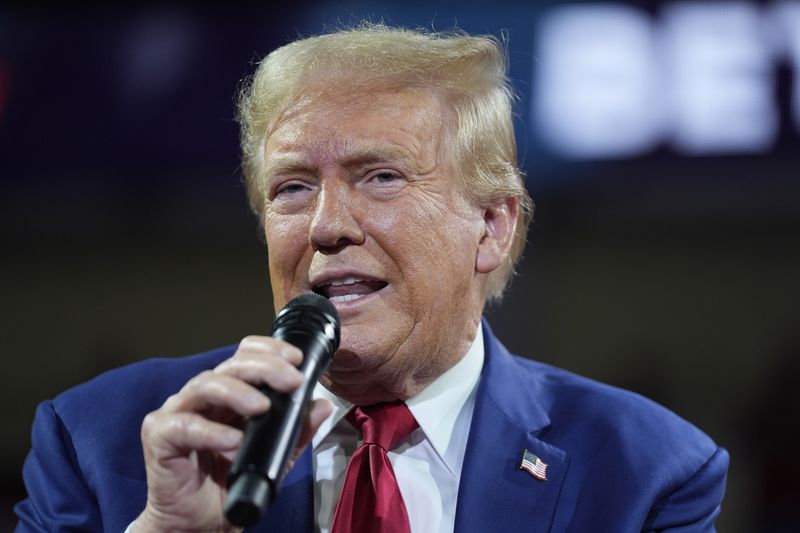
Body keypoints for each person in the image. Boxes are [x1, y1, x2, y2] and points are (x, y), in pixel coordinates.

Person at [15, 23, 728, 532]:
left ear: (492, 225)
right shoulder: (99, 441)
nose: (327, 225)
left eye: (380, 176)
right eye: (292, 187)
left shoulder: (645, 474)